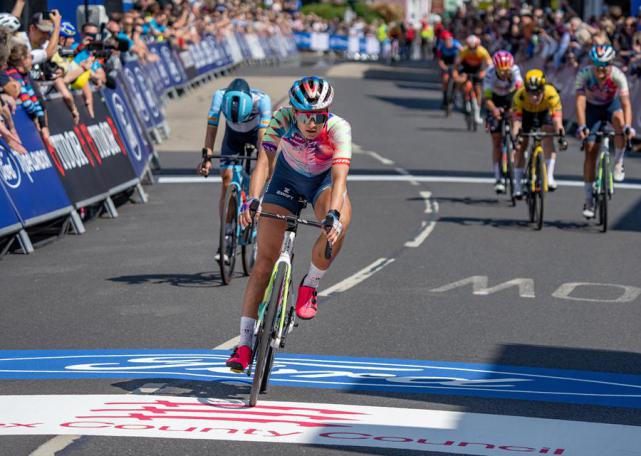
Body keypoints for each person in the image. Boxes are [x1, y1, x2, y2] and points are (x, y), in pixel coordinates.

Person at [225, 76, 352, 372]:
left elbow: (339, 179)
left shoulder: (338, 128)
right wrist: (252, 201)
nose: (311, 123)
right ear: (294, 112)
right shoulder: (281, 119)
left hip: (321, 184)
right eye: (305, 116)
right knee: (264, 263)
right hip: (285, 181)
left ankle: (310, 284)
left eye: (318, 116)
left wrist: (332, 215)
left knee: (340, 222)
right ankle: (244, 345)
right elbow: (265, 163)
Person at [198, 78, 271, 262]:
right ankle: (227, 233)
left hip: (257, 134)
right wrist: (206, 157)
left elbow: (264, 141)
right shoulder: (219, 97)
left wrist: (264, 165)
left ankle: (255, 205)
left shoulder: (262, 101)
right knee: (227, 180)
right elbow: (211, 128)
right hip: (232, 137)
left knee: (263, 170)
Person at [576, 44, 634, 218]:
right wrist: (581, 125)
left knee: (619, 122)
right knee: (590, 150)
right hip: (592, 109)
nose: (600, 69)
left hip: (611, 105)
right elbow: (580, 102)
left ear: (610, 64)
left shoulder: (617, 75)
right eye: (597, 65)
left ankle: (618, 162)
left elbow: (626, 104)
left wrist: (628, 127)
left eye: (604, 65)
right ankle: (589, 200)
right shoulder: (584, 74)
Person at [511, 69, 567, 198]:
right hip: (525, 115)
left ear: (543, 89)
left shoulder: (551, 93)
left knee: (548, 136)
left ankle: (549, 176)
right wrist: (515, 137)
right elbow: (516, 122)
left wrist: (561, 136)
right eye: (530, 93)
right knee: (521, 145)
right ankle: (518, 185)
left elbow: (557, 121)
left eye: (537, 93)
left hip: (544, 112)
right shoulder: (519, 96)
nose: (534, 97)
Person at [483, 50, 522, 193]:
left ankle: (514, 148)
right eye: (501, 71)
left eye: (507, 70)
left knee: (516, 122)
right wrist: (493, 110)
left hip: (511, 98)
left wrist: (514, 109)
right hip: (494, 99)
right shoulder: (489, 73)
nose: (505, 73)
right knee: (496, 140)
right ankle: (498, 177)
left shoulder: (515, 70)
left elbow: (520, 91)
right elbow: (487, 98)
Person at [456, 34, 492, 125]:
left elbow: (490, 64)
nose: (472, 50)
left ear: (477, 45)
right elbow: (457, 64)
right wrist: (457, 75)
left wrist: (484, 72)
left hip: (477, 69)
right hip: (466, 68)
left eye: (474, 48)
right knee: (463, 81)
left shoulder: (482, 51)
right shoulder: (464, 51)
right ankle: (461, 95)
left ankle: (477, 112)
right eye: (470, 48)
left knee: (478, 90)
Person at [436, 31, 461, 109]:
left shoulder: (456, 44)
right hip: (445, 62)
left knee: (456, 77)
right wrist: (443, 67)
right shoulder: (441, 46)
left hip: (455, 61)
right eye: (446, 40)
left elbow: (463, 53)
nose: (448, 42)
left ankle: (456, 95)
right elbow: (440, 60)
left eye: (449, 40)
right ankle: (444, 99)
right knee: (445, 80)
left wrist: (458, 64)